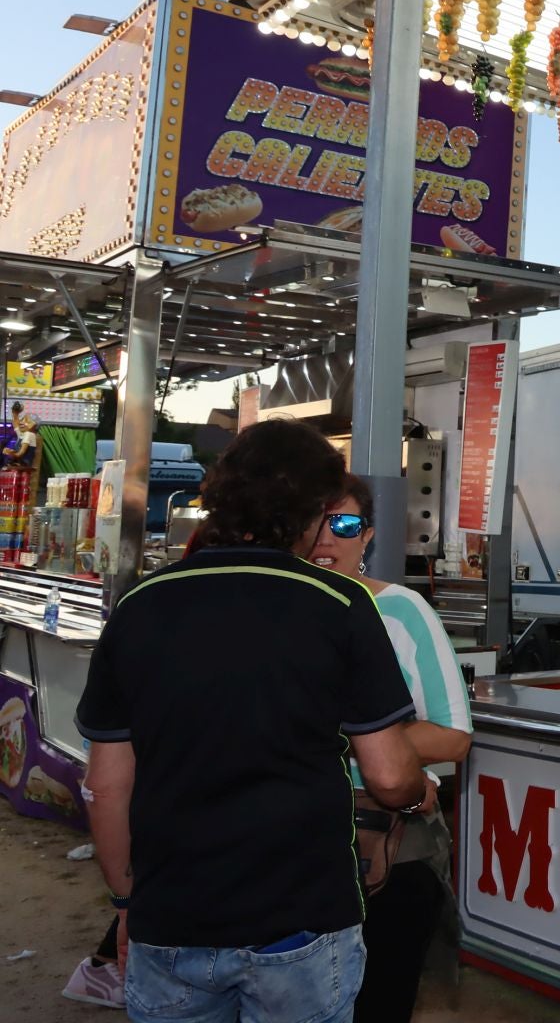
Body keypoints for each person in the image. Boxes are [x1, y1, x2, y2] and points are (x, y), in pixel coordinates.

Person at [75, 419, 428, 1023]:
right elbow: (391, 778)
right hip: (301, 916)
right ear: (316, 512)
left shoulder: (139, 606)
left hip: (172, 915)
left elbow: (106, 786)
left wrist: (128, 902)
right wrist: (420, 793)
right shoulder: (341, 605)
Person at [307, 475, 473, 1023]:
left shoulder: (401, 612)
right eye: (315, 520)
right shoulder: (276, 614)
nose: (328, 537)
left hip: (388, 846)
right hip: (288, 847)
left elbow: (452, 735)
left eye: (346, 524)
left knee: (379, 999)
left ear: (368, 536)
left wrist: (357, 746)